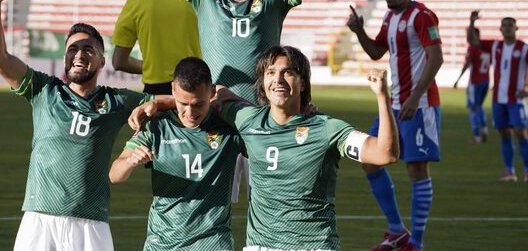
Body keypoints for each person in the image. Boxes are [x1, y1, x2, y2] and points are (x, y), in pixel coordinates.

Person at [123, 0, 361, 200]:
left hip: (263, 121)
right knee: (207, 208)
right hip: (215, 122)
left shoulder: (275, 0)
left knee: (274, 204)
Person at [129, 45, 400, 251]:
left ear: (303, 81)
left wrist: (382, 98)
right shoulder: (246, 119)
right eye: (271, 73)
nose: (278, 80)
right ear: (263, 82)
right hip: (260, 246)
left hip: (313, 245)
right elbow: (209, 95)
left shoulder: (326, 129)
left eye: (288, 72)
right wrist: (159, 102)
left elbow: (385, 153)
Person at [0, 0, 151, 251]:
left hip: (91, 224)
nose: (79, 54)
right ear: (64, 57)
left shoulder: (118, 101)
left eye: (89, 49)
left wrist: (156, 104)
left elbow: (176, 101)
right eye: (72, 48)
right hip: (40, 219)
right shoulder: (44, 90)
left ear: (101, 61)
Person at [347, 0, 443, 251]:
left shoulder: (423, 16)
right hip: (393, 105)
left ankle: (417, 241)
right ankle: (396, 230)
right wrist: (359, 31)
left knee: (417, 171)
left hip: (420, 105)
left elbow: (436, 57)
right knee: (370, 160)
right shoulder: (390, 17)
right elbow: (377, 51)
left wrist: (415, 97)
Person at [109, 57, 245, 250]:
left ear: (212, 92)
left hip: (212, 243)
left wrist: (236, 99)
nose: (190, 112)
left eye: (198, 104)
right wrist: (130, 160)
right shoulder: (157, 125)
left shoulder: (229, 126)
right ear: (173, 90)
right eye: (183, 104)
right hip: (163, 243)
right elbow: (114, 175)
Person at [111, 0, 202, 95]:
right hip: (195, 87)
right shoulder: (199, 0)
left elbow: (119, 62)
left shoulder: (134, 5)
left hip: (155, 92)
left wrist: (151, 66)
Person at [467, 11, 528, 183]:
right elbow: (473, 41)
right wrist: (472, 23)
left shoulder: (523, 48)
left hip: (515, 99)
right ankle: (510, 172)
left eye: (511, 25)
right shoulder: (495, 46)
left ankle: (527, 171)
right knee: (504, 133)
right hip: (498, 99)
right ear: (500, 29)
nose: (507, 28)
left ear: (516, 28)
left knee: (521, 133)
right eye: (505, 25)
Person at [453, 28, 490, 143]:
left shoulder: (473, 48)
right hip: (486, 80)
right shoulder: (486, 48)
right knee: (479, 106)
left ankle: (477, 136)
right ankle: (484, 130)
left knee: (473, 108)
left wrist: (458, 79)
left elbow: (467, 64)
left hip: (475, 82)